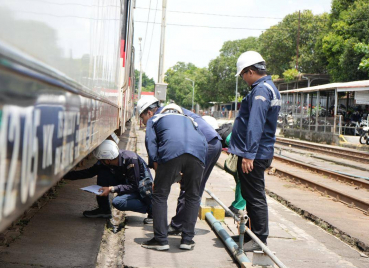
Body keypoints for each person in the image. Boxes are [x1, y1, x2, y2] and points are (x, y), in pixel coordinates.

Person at [137, 98, 222, 237]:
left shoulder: (160, 117)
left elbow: (153, 146)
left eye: (142, 117)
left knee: (190, 188)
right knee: (193, 188)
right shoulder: (172, 112)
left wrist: (161, 177)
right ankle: (185, 233)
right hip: (208, 143)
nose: (143, 122)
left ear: (150, 112)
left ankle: (179, 226)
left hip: (206, 145)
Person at [228, 51, 281, 252]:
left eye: (242, 74)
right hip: (259, 151)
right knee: (250, 196)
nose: (242, 78)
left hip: (255, 154)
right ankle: (250, 234)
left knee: (255, 197)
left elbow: (256, 124)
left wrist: (249, 154)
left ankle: (259, 240)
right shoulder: (269, 88)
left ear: (250, 71)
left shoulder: (260, 91)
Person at [63, 140, 153, 223]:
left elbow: (134, 185)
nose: (99, 161)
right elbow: (89, 172)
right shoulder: (107, 162)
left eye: (100, 160)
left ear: (107, 160)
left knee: (118, 202)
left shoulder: (130, 160)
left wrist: (112, 189)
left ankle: (151, 208)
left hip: (140, 188)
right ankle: (104, 210)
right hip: (127, 183)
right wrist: (64, 176)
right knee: (102, 173)